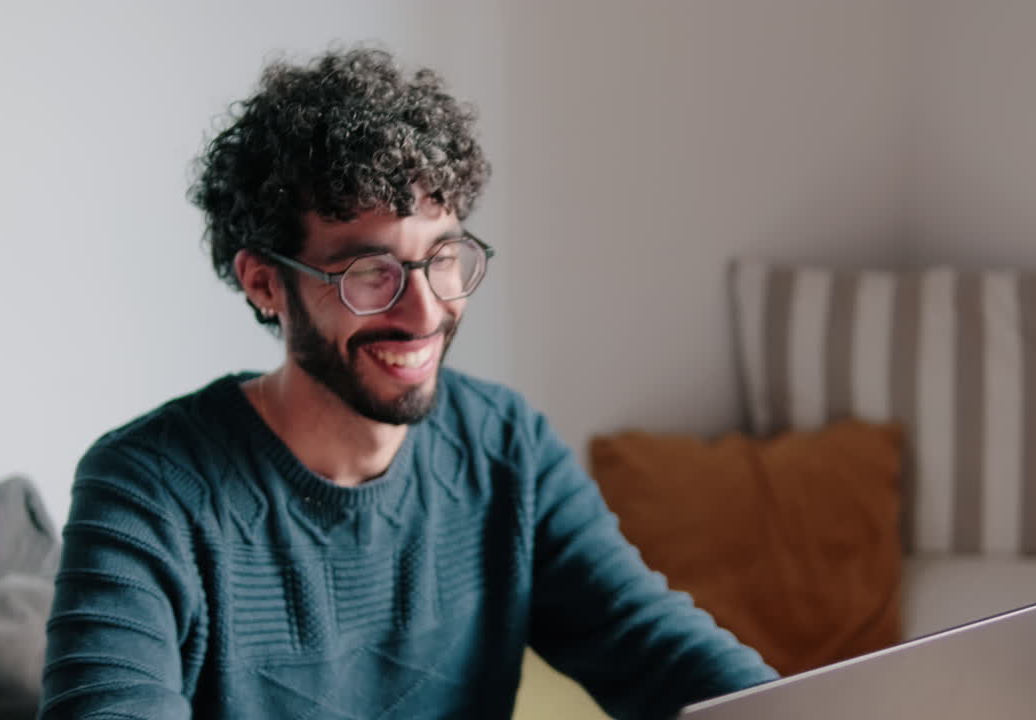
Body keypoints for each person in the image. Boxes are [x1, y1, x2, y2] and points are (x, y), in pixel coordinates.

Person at [39, 47, 776, 720]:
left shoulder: (504, 448)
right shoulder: (146, 492)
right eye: (370, 272)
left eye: (444, 255)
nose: (425, 311)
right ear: (265, 283)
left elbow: (650, 642)